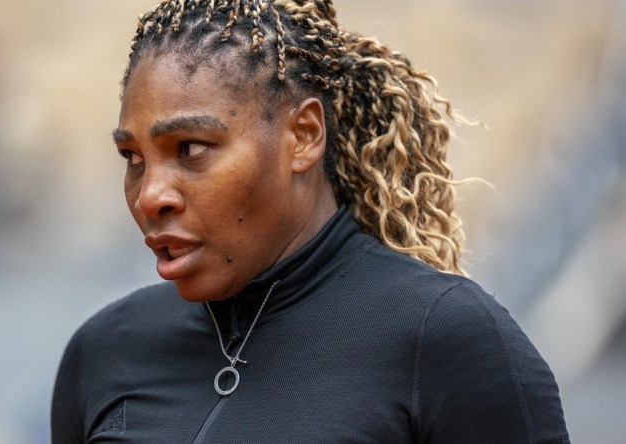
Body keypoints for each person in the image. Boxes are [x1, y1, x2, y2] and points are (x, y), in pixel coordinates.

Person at [51, 0, 569, 442]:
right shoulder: (104, 350)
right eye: (132, 158)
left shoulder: (450, 340)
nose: (149, 196)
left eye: (190, 148)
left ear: (303, 136)